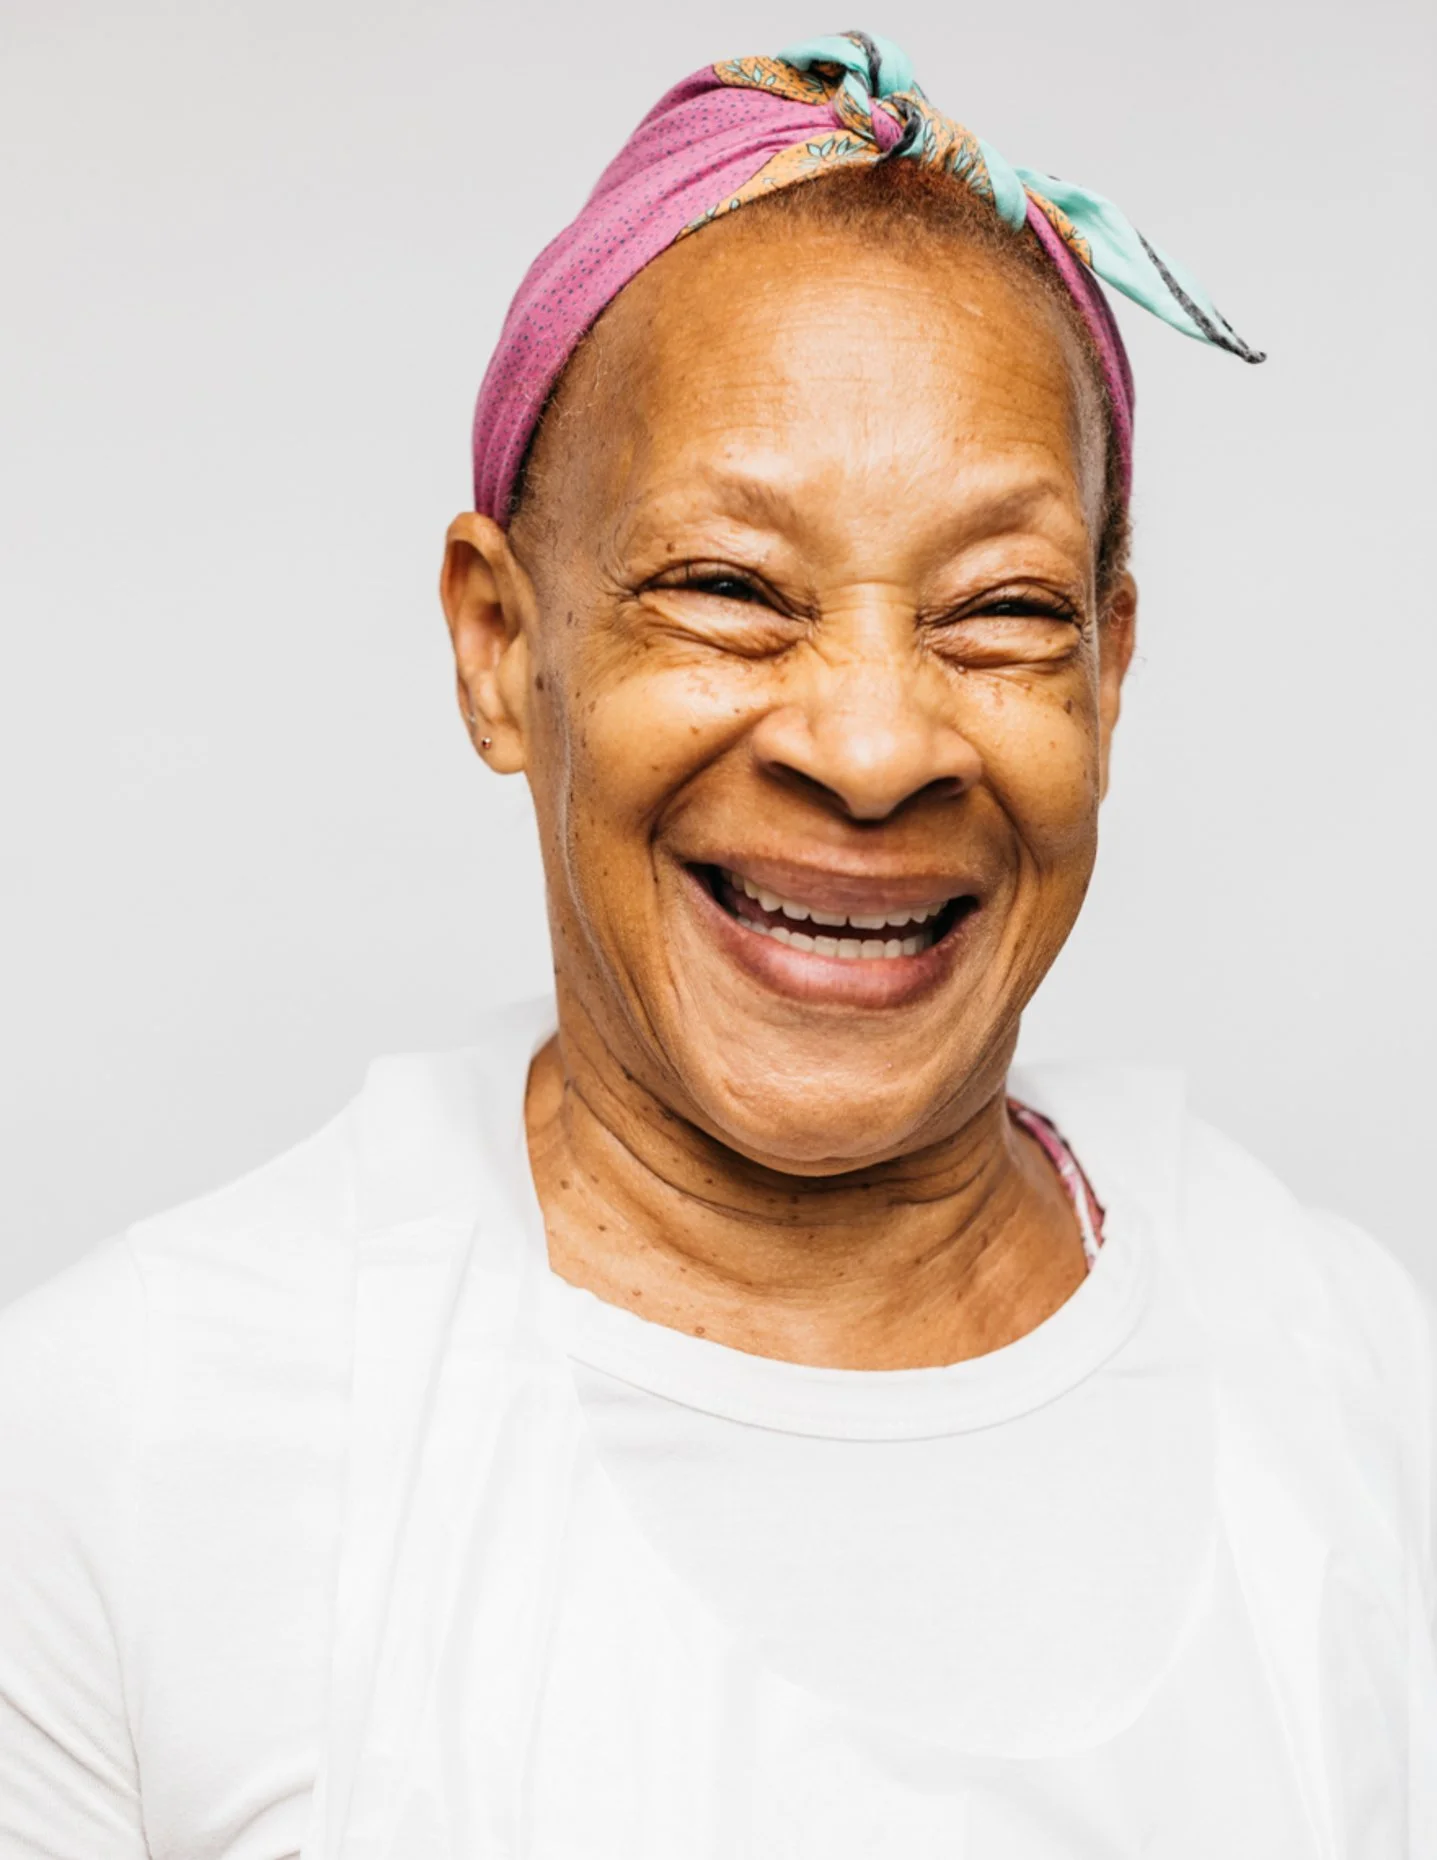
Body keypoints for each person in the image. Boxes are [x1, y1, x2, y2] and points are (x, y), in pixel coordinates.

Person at [1, 29, 1432, 1859]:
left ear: (1111, 670)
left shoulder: (1359, 1383)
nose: (872, 746)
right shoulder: (124, 1450)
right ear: (500, 646)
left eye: (1002, 611)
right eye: (730, 591)